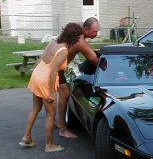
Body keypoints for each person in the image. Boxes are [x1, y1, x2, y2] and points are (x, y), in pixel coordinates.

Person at [19, 23, 96, 152]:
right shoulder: (63, 50)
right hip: (45, 80)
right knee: (51, 114)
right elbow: (53, 72)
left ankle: (26, 137)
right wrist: (50, 92)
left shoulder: (53, 43)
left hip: (37, 75)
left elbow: (42, 60)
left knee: (36, 108)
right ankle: (49, 145)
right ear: (75, 37)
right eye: (79, 36)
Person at [56, 17, 100, 139]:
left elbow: (86, 48)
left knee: (44, 100)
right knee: (64, 93)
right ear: (85, 29)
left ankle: (52, 122)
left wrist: (90, 49)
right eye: (94, 32)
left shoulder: (79, 28)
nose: (96, 34)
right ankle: (63, 129)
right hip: (56, 68)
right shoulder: (80, 42)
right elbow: (97, 63)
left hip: (51, 63)